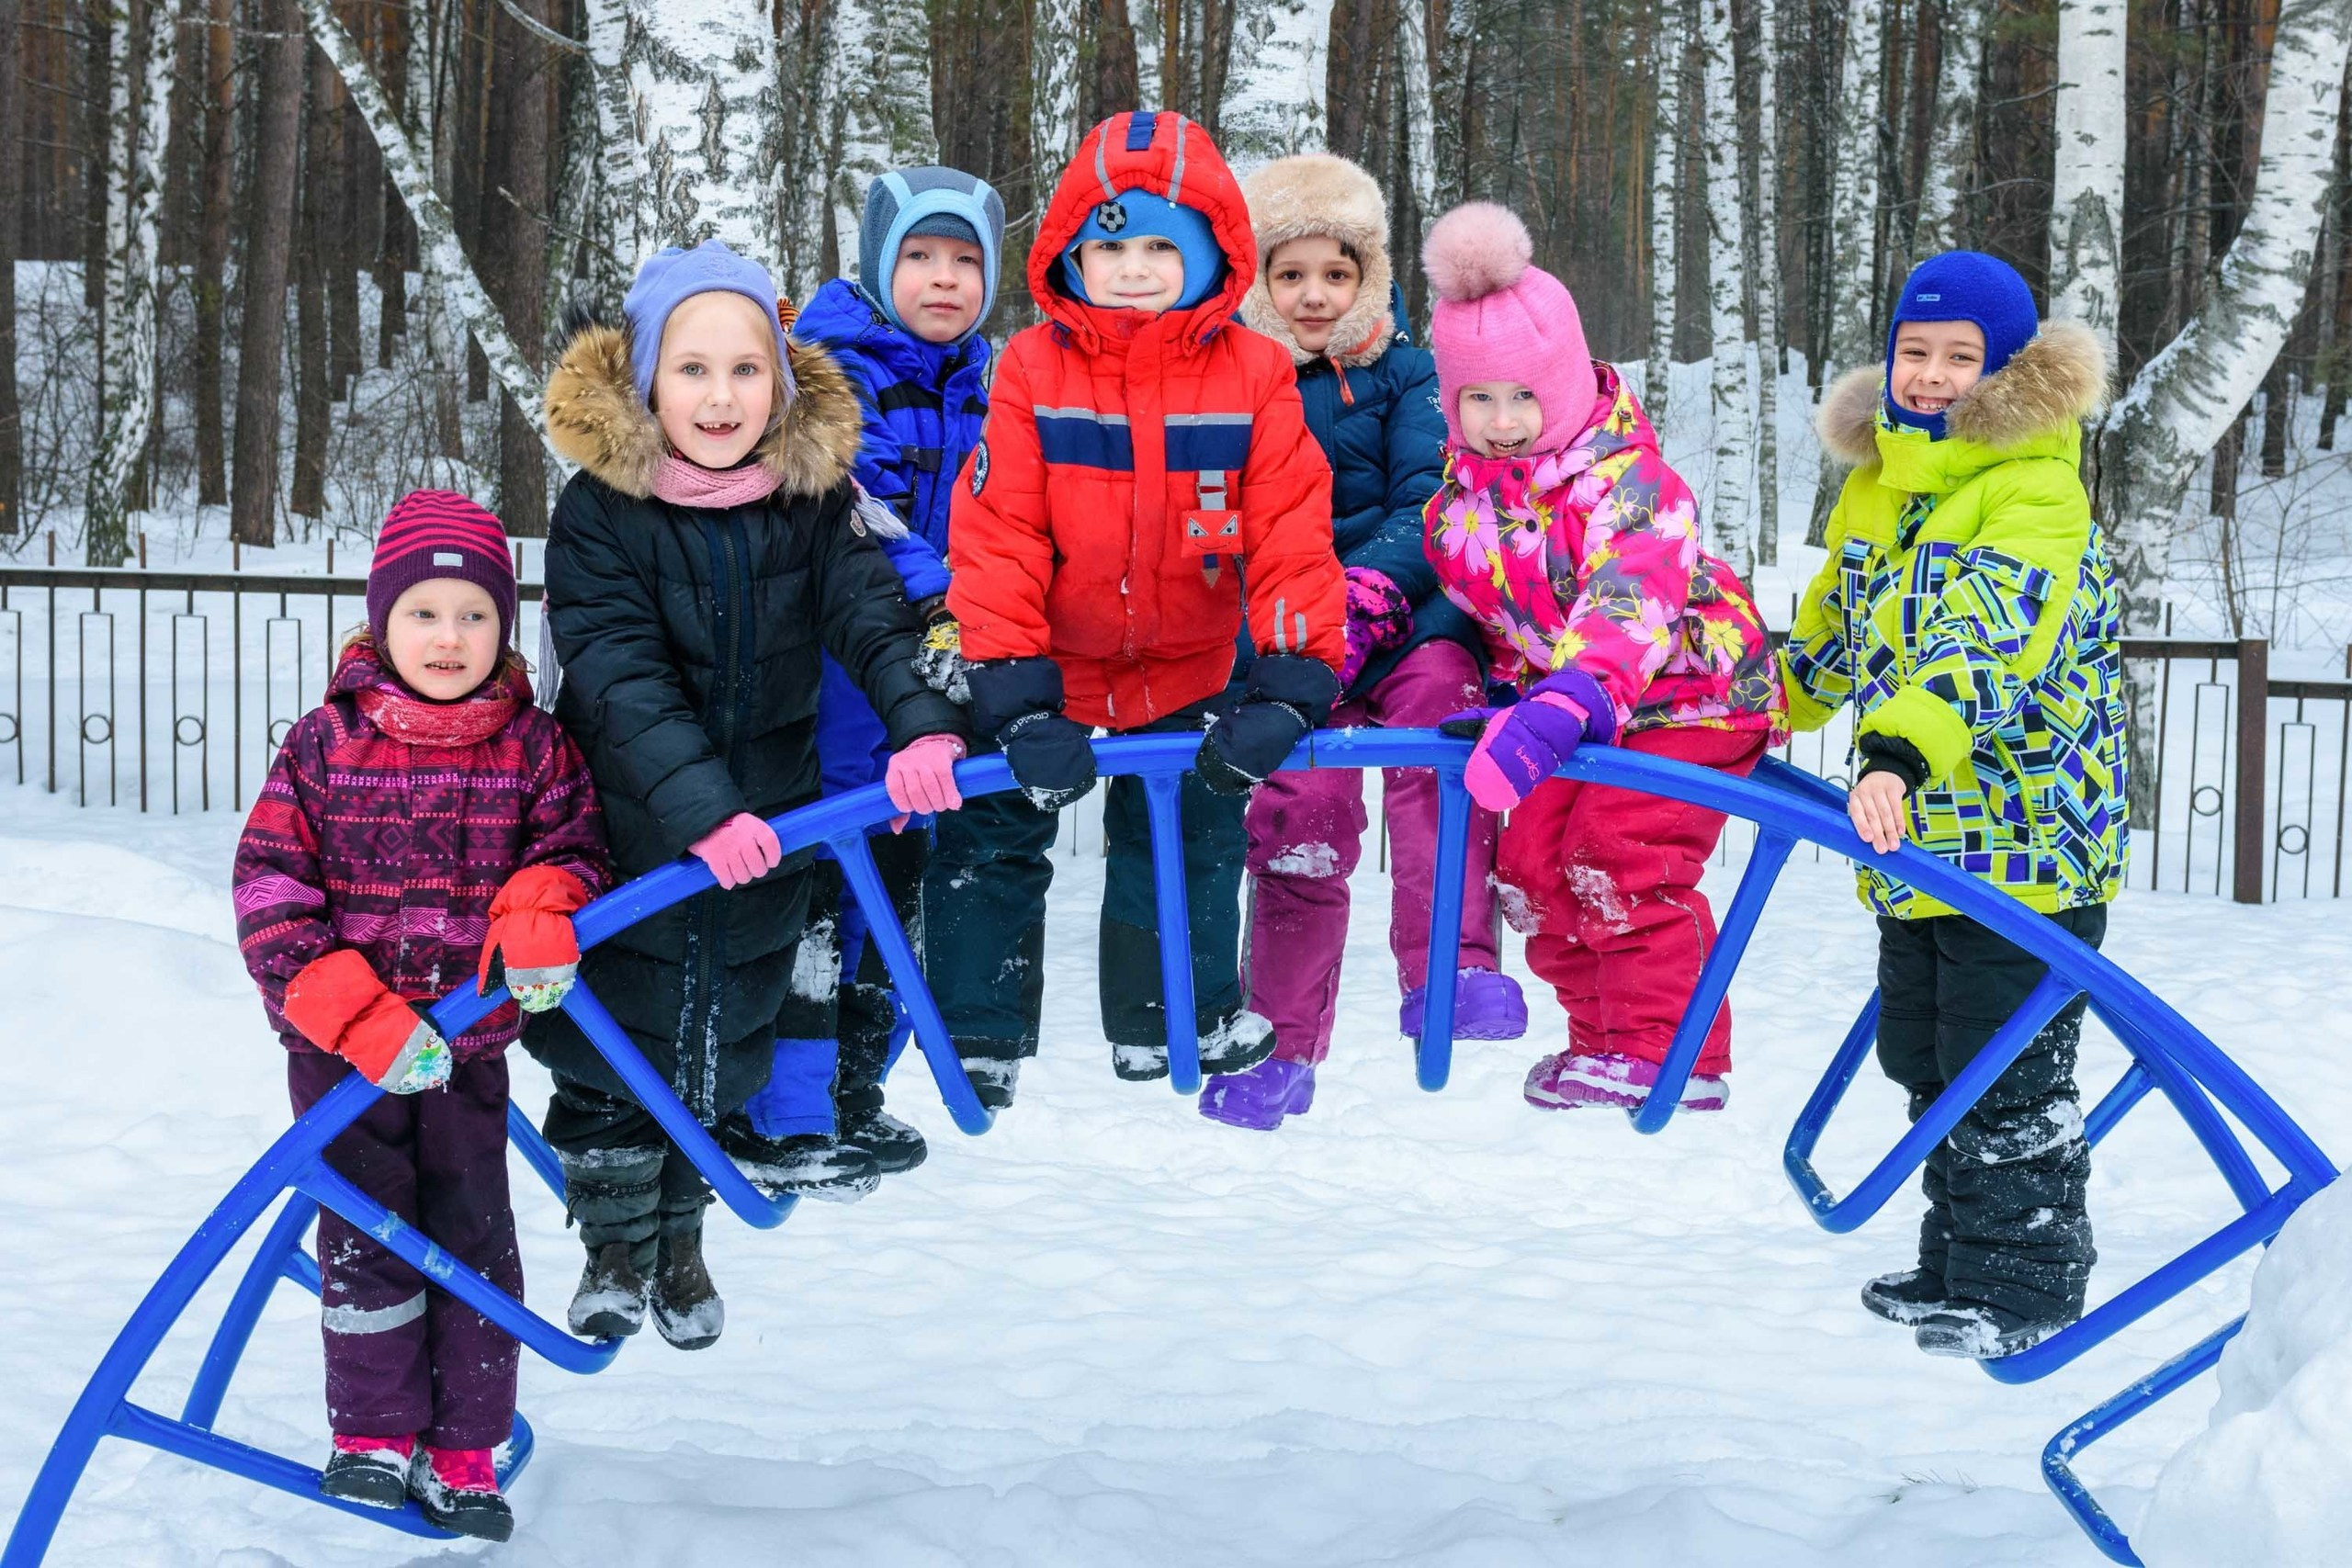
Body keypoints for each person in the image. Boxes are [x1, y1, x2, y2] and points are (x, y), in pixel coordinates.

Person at [527, 239, 967, 1351]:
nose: (719, 397)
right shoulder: (598, 513)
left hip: (767, 827)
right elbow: (617, 673)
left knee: (719, 1046)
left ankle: (681, 1242)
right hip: (632, 830)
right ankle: (615, 1250)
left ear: (779, 380)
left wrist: (921, 723)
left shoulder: (813, 501)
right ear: (642, 379)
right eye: (691, 369)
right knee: (609, 1057)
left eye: (744, 370)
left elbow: (874, 618)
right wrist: (700, 810)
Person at [929, 109, 1347, 1110]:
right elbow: (1002, 530)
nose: (1133, 267)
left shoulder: (1252, 374)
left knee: (1192, 824)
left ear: (1215, 256)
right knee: (993, 827)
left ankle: (1172, 1018)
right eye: (1110, 244)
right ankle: (979, 1033)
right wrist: (1012, 687)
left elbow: (1288, 526)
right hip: (1053, 667)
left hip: (1189, 662)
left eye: (1164, 245)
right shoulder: (1034, 366)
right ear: (1072, 252)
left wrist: (1289, 680)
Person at [233, 492, 610, 1541]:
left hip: (467, 1052)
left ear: (505, 625)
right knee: (368, 1234)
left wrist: (544, 905)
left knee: (473, 1235)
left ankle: (462, 1450)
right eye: (425, 614)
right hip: (343, 1057)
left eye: (475, 616)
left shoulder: (535, 749)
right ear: (381, 623)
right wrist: (352, 1017)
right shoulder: (324, 744)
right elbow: (269, 889)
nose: (450, 638)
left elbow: (575, 851)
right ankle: (374, 1435)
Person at [1787, 251, 2123, 1359]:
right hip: (1918, 837)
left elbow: (1985, 642)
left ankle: (2023, 1284)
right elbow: (1831, 632)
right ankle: (1958, 1262)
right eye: (1913, 353)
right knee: (1924, 1058)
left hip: (2027, 841)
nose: (1930, 376)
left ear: (2004, 370)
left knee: (2002, 1069)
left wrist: (1891, 749)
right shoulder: (1881, 480)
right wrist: (1744, 703)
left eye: (1958, 357)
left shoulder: (2036, 487)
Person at [1417, 201, 1785, 1114]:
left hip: (1693, 696)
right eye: (1479, 399)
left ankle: (1671, 1050)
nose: (1503, 422)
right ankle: (1603, 1042)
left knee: (1616, 853)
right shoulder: (1457, 518)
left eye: (1524, 396)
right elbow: (1506, 620)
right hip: (1574, 708)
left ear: (1569, 386)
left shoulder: (1631, 486)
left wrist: (1571, 692)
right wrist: (1506, 690)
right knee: (1531, 869)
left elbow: (1628, 596)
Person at [1199, 152, 1520, 1132]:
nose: (1312, 294)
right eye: (1288, 274)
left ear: (1368, 278)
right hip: (1290, 643)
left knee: (1438, 742)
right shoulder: (1230, 382)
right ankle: (1279, 1042)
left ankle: (1452, 971)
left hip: (1406, 616)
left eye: (1334, 274)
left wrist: (1366, 593)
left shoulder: (1409, 372)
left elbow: (1433, 497)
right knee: (1298, 815)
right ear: (1254, 279)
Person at [739, 166, 1006, 1179]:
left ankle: (853, 1089)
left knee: (897, 880)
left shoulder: (992, 381)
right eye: (921, 257)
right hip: (847, 667)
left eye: (966, 261)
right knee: (826, 873)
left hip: (939, 668)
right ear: (878, 265)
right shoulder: (831, 369)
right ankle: (786, 1108)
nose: (944, 279)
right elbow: (864, 506)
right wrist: (948, 595)